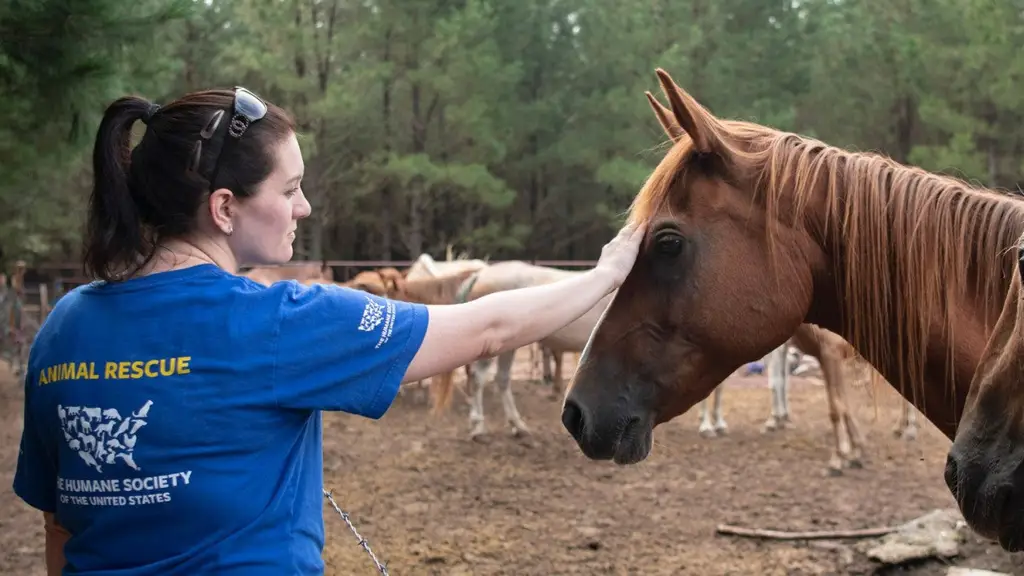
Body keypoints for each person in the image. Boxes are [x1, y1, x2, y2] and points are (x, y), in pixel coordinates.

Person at [12, 86, 645, 575]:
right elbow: (488, 327)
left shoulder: (64, 327)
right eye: (290, 189)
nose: (304, 207)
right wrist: (607, 272)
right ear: (225, 207)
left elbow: (59, 527)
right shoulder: (279, 320)